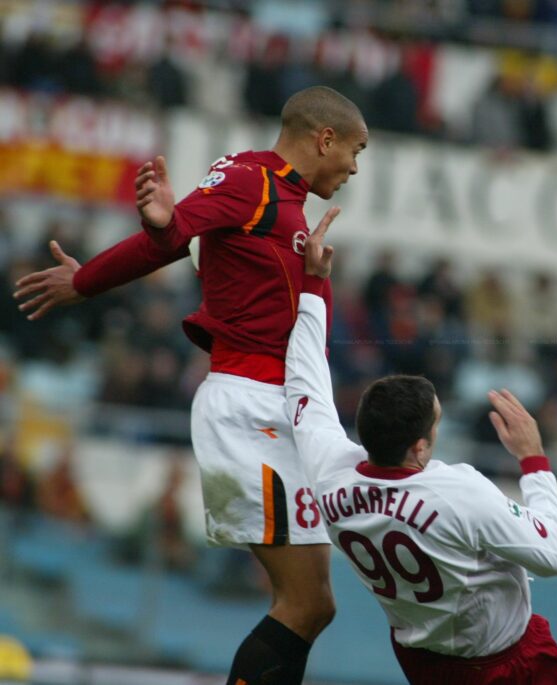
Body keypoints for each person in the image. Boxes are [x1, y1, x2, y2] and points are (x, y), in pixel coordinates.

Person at [13, 85, 368, 685]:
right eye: (356, 151)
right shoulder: (251, 180)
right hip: (250, 407)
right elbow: (173, 233)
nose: (356, 167)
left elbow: (177, 240)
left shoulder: (282, 197)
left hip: (278, 410)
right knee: (304, 603)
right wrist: (99, 273)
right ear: (324, 138)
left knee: (315, 605)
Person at [282, 222, 557, 684]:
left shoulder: (331, 474)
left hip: (425, 664)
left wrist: (311, 286)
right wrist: (534, 460)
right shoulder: (456, 491)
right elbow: (554, 554)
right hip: (509, 663)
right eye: (436, 424)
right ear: (420, 445)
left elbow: (304, 382)